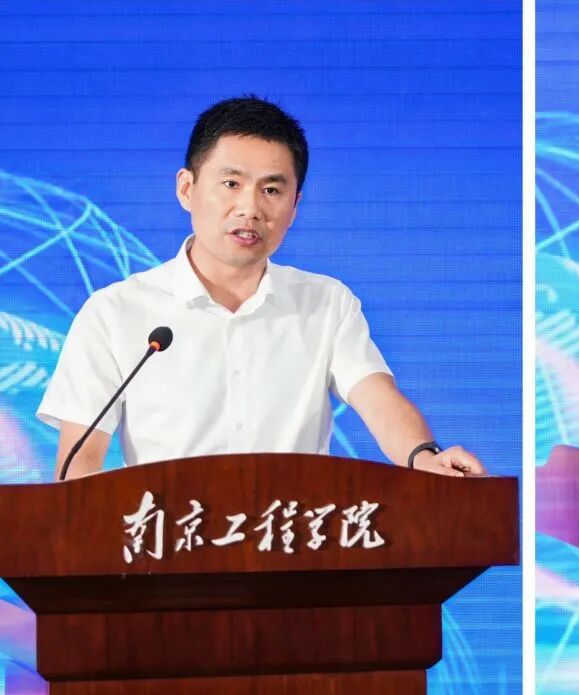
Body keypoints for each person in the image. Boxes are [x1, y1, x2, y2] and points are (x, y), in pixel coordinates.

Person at [37, 96, 485, 479]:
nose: (249, 208)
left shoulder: (326, 303)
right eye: (231, 184)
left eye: (271, 190)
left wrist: (423, 457)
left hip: (293, 542)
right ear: (187, 188)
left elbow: (377, 399)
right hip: (165, 543)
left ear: (295, 206)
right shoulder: (115, 312)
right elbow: (80, 460)